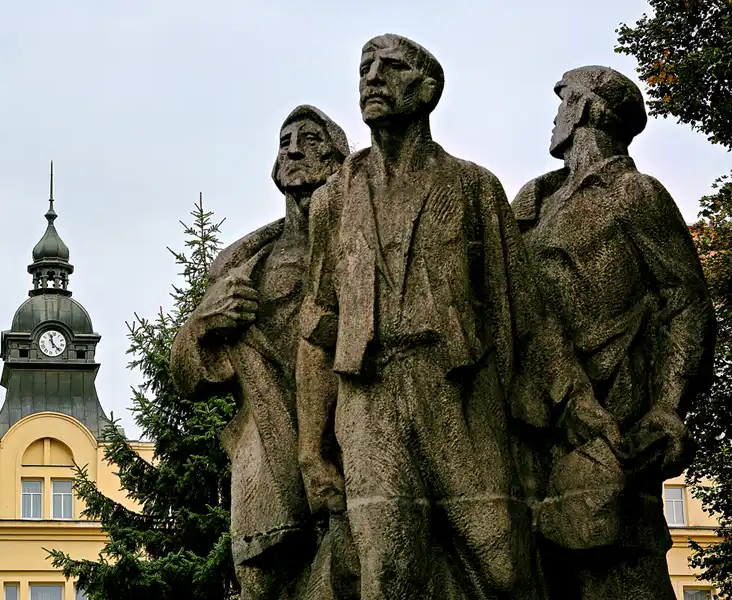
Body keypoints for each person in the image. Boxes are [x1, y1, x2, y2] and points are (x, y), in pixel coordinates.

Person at [296, 33, 605, 599]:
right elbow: (318, 328)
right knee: (386, 574)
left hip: (460, 392)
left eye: (391, 67)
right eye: (364, 68)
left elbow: (527, 311)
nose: (372, 79)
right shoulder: (332, 201)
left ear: (427, 89)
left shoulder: (473, 186)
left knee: (503, 562)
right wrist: (311, 450)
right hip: (369, 400)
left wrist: (578, 403)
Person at [512, 66, 716, 600]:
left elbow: (686, 302)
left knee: (613, 568)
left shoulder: (634, 193)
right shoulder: (535, 202)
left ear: (584, 109)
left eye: (563, 103)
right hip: (535, 414)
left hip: (613, 414)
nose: (555, 117)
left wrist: (667, 406)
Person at [171, 105, 354, 600]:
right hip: (266, 442)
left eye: (309, 140)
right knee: (263, 585)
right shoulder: (248, 264)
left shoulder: (361, 241)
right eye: (284, 142)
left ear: (338, 159)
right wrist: (204, 321)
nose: (292, 150)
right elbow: (188, 374)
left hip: (345, 430)